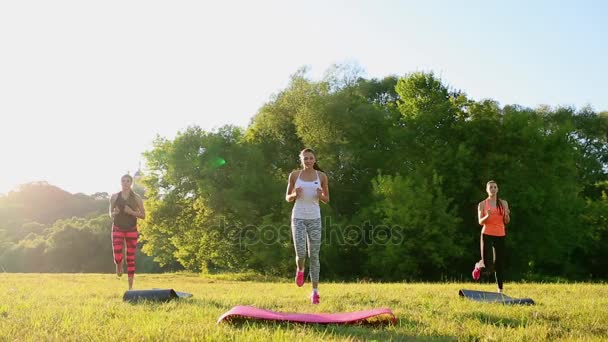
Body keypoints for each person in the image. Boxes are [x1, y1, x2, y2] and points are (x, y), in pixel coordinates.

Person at [285, 148, 329, 304]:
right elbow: (287, 198)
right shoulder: (295, 175)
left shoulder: (322, 176)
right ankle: (300, 269)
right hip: (298, 217)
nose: (308, 161)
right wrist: (295, 194)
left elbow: (326, 199)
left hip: (315, 219)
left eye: (311, 158)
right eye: (305, 158)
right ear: (301, 160)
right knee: (301, 253)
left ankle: (315, 292)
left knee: (315, 255)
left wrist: (320, 195)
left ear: (315, 160)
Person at [472, 180, 510, 293]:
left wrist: (506, 215)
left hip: (500, 234)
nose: (493, 189)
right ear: (487, 190)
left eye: (495, 187)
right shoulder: (482, 204)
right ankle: (479, 265)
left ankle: (500, 290)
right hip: (487, 234)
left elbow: (507, 221)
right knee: (487, 266)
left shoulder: (504, 203)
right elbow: (480, 222)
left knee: (499, 263)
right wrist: (487, 216)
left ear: (497, 189)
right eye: (491, 187)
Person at [109, 174, 145, 290]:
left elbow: (143, 215)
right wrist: (115, 213)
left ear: (131, 183)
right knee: (118, 256)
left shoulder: (137, 198)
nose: (125, 183)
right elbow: (110, 213)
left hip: (131, 229)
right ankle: (119, 264)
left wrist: (132, 212)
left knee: (130, 258)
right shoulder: (114, 197)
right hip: (117, 228)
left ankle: (130, 288)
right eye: (123, 181)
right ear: (121, 183)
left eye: (128, 181)